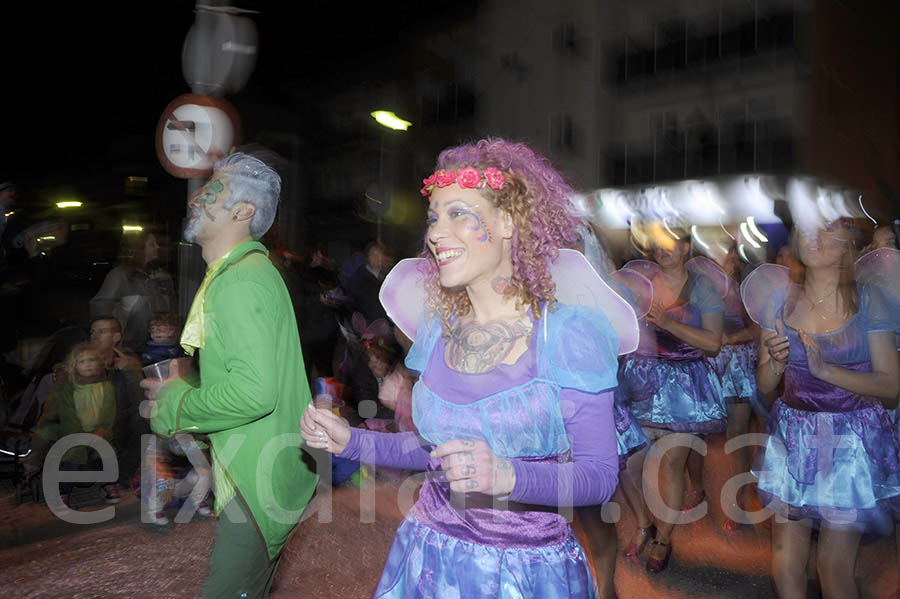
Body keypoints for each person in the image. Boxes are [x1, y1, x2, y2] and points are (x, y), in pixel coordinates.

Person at [301, 138, 638, 598]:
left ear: (507, 222)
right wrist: (351, 441)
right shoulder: (439, 332)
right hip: (428, 557)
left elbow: (599, 477)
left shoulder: (567, 335)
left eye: (459, 213)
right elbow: (434, 454)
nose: (437, 234)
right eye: (435, 218)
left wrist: (509, 476)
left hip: (524, 573)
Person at [140, 151, 317, 599]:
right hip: (257, 472)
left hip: (255, 483)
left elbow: (255, 394)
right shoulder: (244, 273)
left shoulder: (240, 280)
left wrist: (176, 401)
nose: (198, 196)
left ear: (244, 211)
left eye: (214, 188)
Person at [745, 219, 900, 599]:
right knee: (784, 557)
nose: (816, 236)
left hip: (851, 443)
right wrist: (776, 365)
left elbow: (891, 386)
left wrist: (826, 371)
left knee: (832, 565)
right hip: (794, 436)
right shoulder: (778, 300)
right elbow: (765, 387)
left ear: (848, 245)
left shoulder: (868, 299)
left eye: (829, 229)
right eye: (810, 228)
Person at [616, 228, 726, 573]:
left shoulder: (702, 287)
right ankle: (645, 523)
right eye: (658, 243)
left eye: (672, 242)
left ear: (686, 247)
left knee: (672, 463)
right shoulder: (639, 283)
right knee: (629, 464)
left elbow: (713, 343)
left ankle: (663, 537)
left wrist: (667, 322)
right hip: (641, 380)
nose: (663, 249)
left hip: (684, 387)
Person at [28, 342, 119, 507]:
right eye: (82, 361)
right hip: (73, 431)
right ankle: (64, 491)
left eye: (92, 360)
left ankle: (108, 484)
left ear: (99, 362)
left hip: (98, 431)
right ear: (74, 366)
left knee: (107, 454)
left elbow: (108, 412)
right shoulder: (70, 388)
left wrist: (102, 430)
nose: (88, 364)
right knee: (72, 457)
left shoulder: (106, 387)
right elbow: (68, 415)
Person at [90, 229, 176, 353]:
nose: (157, 247)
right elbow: (101, 309)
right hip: (127, 348)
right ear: (140, 248)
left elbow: (171, 311)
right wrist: (114, 337)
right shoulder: (120, 276)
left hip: (159, 346)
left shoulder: (162, 277)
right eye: (152, 244)